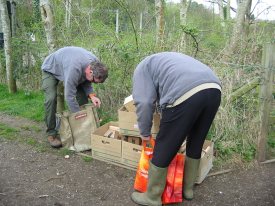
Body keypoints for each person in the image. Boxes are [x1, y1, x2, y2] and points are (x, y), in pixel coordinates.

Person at [131, 52, 221, 205]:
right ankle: (188, 189)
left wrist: (145, 134)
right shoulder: (164, 61)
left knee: (165, 144)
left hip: (185, 92)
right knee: (196, 141)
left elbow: (144, 102)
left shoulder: (141, 69)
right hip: (214, 89)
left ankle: (152, 197)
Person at [41, 46, 108, 148]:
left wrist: (92, 96)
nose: (94, 83)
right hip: (51, 69)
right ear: (90, 71)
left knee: (83, 99)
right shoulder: (74, 68)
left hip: (70, 67)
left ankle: (81, 131)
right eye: (94, 81)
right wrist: (79, 117)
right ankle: (51, 134)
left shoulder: (95, 64)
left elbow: (87, 81)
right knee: (51, 98)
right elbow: (69, 96)